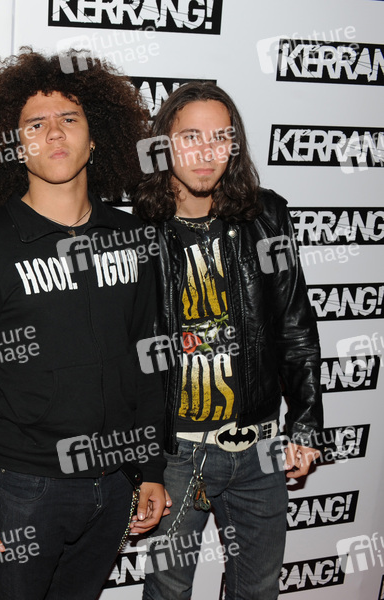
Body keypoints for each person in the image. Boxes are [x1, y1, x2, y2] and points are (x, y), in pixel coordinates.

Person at [0, 48, 170, 600]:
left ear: (96, 136)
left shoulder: (134, 238)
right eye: (35, 124)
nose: (54, 134)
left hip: (116, 484)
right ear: (15, 145)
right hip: (22, 489)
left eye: (69, 118)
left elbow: (148, 362)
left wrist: (151, 467)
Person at [133, 82, 323, 600]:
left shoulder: (267, 216)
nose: (206, 152)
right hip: (178, 453)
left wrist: (305, 422)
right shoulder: (139, 230)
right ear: (162, 144)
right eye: (190, 136)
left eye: (220, 137)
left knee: (258, 589)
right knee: (168, 591)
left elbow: (295, 323)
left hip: (261, 448)